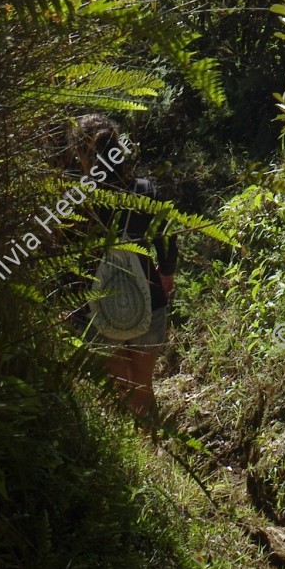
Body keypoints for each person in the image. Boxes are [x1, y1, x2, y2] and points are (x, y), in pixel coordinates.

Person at [71, 112, 178, 421]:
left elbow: (69, 262)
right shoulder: (146, 190)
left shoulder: (79, 202)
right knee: (144, 389)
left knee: (119, 394)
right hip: (149, 298)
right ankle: (152, 446)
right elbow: (168, 240)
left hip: (98, 309)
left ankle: (135, 466)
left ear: (81, 153)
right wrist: (166, 276)